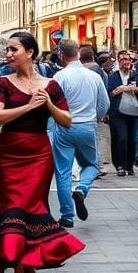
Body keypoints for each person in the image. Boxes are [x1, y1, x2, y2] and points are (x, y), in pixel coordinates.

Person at [0, 31, 84, 273]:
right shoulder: (2, 83)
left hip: (39, 156)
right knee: (13, 211)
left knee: (28, 210)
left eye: (13, 49)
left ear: (29, 52)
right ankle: (27, 267)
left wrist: (49, 104)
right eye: (7, 49)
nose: (8, 54)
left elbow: (67, 120)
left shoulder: (50, 85)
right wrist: (29, 106)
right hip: (8, 155)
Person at [51, 39, 109, 226]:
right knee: (91, 165)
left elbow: (51, 104)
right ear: (78, 52)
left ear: (61, 54)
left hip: (64, 126)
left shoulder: (59, 77)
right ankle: (81, 189)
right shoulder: (93, 76)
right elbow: (104, 104)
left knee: (63, 171)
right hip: (87, 126)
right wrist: (97, 117)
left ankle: (67, 216)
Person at [106, 48, 138, 176]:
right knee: (121, 138)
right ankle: (120, 165)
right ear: (118, 62)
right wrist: (117, 91)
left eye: (128, 59)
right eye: (123, 59)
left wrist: (136, 89)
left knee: (134, 140)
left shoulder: (137, 76)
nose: (126, 62)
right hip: (117, 113)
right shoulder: (112, 77)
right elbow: (107, 95)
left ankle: (130, 165)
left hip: (135, 113)